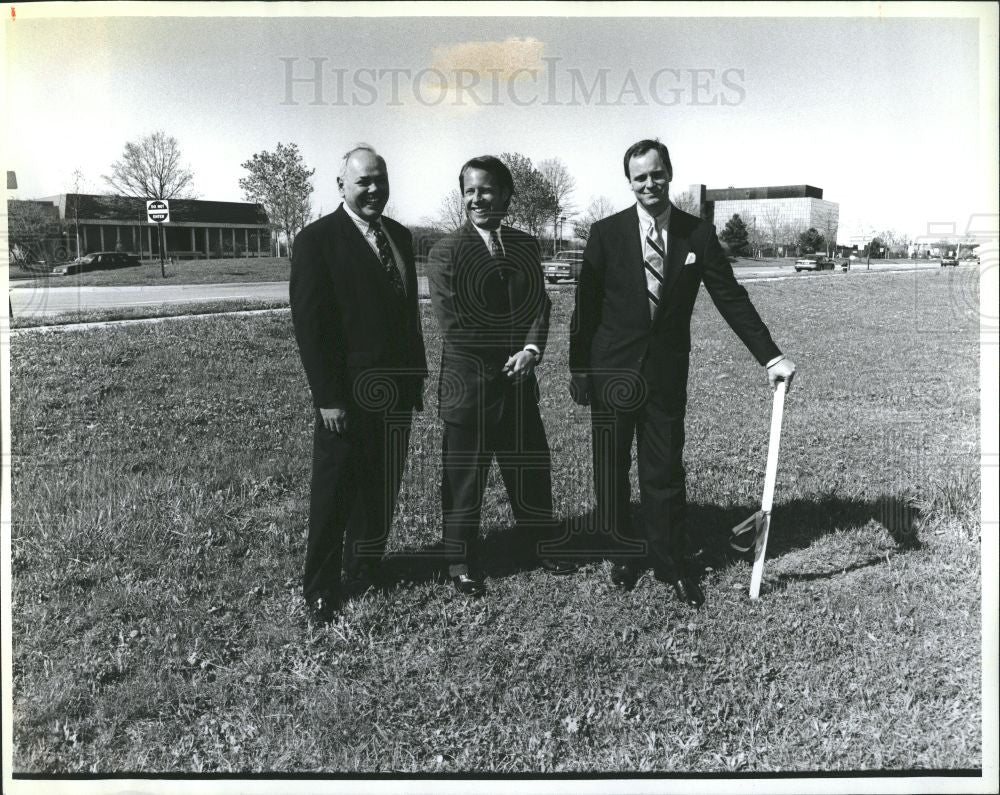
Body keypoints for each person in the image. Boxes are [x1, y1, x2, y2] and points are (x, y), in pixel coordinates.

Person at [569, 138, 796, 607]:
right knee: (610, 470)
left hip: (665, 375)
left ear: (669, 173)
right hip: (612, 371)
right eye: (640, 177)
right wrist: (580, 371)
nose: (649, 184)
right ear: (629, 182)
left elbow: (730, 297)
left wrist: (770, 357)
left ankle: (670, 563)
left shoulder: (697, 235)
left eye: (657, 174)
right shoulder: (605, 233)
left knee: (665, 471)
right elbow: (585, 310)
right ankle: (623, 554)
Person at [427, 155, 578, 597]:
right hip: (469, 388)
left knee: (530, 468)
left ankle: (540, 543)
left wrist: (531, 350)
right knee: (463, 479)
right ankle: (460, 559)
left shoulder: (526, 245)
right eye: (470, 190)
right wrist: (507, 354)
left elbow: (538, 307)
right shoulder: (446, 251)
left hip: (517, 384)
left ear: (506, 196)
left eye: (486, 190)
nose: (477, 198)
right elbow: (452, 323)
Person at [289, 144, 427, 622]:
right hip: (345, 398)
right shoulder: (316, 241)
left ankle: (365, 565)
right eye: (364, 181)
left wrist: (414, 381)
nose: (374, 190)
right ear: (341, 186)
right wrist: (328, 398)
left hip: (395, 394)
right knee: (334, 493)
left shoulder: (402, 238)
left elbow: (407, 315)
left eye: (380, 181)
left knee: (381, 487)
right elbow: (311, 328)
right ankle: (322, 587)